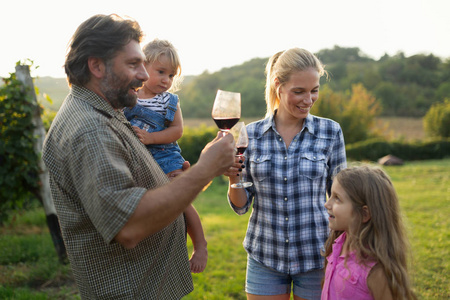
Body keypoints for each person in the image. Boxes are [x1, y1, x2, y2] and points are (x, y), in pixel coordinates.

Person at [42, 14, 235, 299]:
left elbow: (127, 187)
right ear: (96, 65)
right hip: (132, 290)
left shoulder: (106, 111)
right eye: (134, 64)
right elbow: (129, 226)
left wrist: (171, 180)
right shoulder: (91, 131)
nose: (144, 75)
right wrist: (204, 170)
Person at [224, 48, 347, 300]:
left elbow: (343, 199)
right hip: (264, 257)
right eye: (299, 91)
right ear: (278, 86)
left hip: (316, 255)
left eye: (314, 90)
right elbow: (241, 206)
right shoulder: (250, 135)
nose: (308, 99)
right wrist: (233, 178)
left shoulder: (330, 132)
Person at [123, 38, 207, 273]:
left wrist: (150, 138)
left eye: (171, 75)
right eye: (160, 72)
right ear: (143, 67)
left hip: (165, 157)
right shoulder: (130, 96)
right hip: (139, 161)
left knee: (180, 201)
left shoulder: (169, 101)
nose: (166, 80)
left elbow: (176, 131)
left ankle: (200, 245)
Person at [322, 165, 417, 300]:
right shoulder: (337, 244)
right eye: (330, 195)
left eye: (337, 198)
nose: (327, 204)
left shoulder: (376, 271)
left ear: (364, 213)